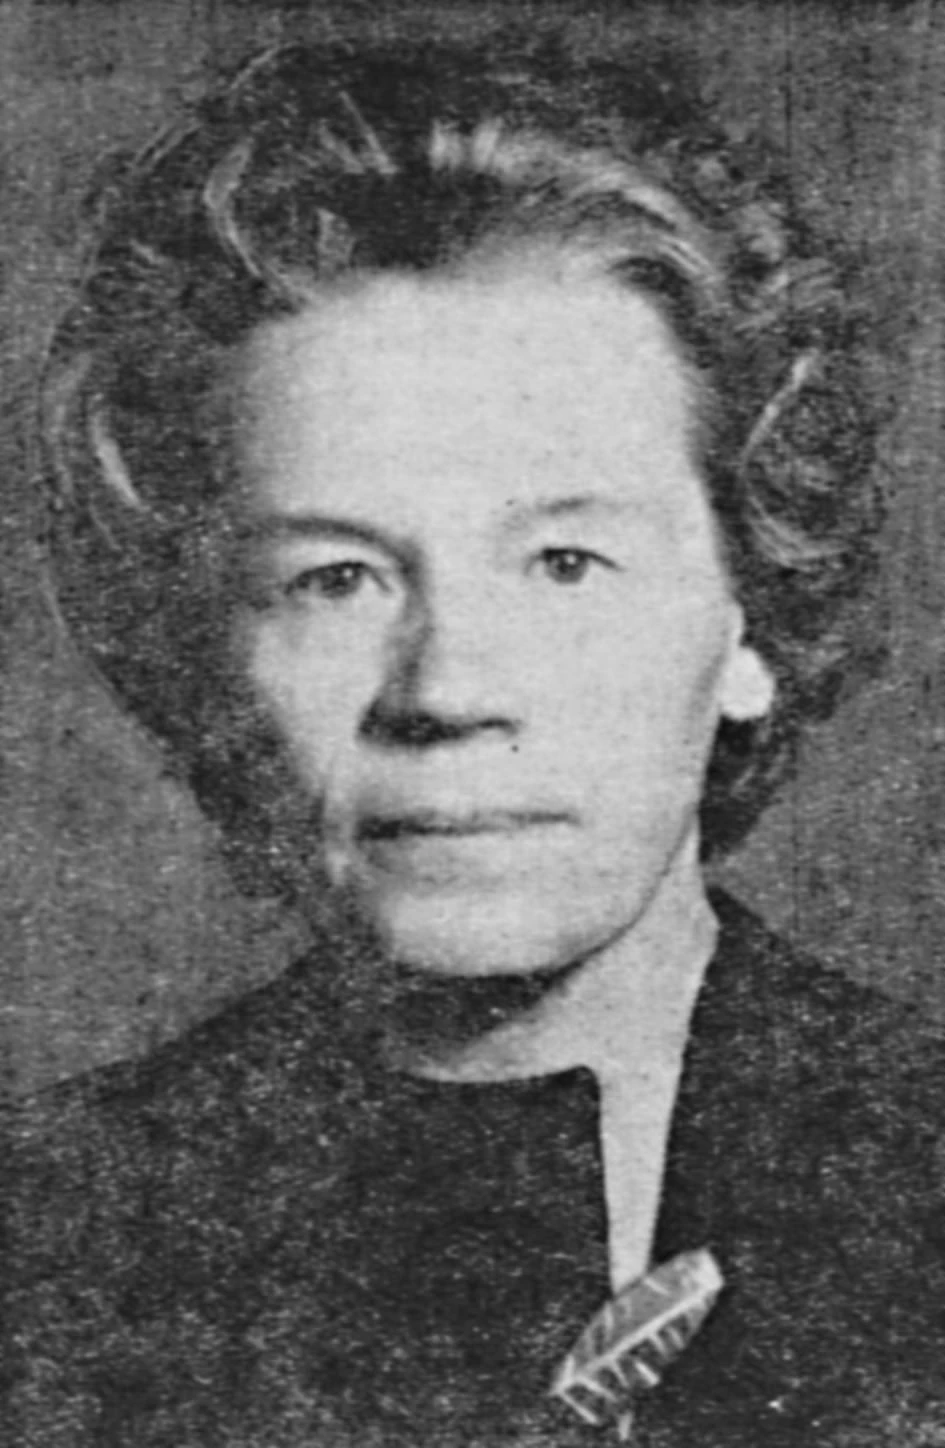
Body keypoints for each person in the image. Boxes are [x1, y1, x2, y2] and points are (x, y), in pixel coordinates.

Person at [5, 27, 944, 1448]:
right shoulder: (48, 1237)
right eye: (335, 578)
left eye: (565, 563)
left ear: (750, 614)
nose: (447, 689)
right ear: (207, 656)